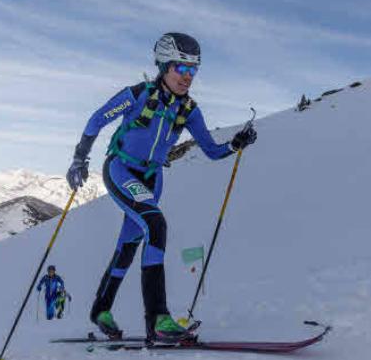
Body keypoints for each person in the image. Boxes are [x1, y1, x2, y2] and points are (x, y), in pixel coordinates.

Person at [66, 33, 257, 343]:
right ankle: (158, 318)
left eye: (193, 70)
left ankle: (101, 310)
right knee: (156, 224)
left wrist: (236, 145)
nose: (187, 77)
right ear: (164, 66)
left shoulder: (190, 110)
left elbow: (211, 150)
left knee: (129, 244)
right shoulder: (137, 95)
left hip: (153, 179)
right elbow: (96, 120)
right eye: (180, 68)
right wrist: (79, 159)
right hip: (121, 168)